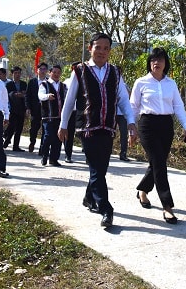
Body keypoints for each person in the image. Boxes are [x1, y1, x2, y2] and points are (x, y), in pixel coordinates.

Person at [58, 32, 137, 228]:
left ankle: (88, 197)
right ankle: (106, 209)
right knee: (96, 167)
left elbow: (123, 100)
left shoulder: (115, 72)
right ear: (90, 48)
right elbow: (69, 101)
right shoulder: (80, 70)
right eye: (98, 47)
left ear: (110, 51)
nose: (102, 52)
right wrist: (63, 124)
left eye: (106, 48)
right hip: (87, 127)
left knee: (100, 168)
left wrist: (131, 122)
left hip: (108, 126)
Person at [130, 48, 186, 224]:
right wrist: (131, 129)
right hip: (147, 125)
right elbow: (133, 107)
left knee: (157, 162)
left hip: (166, 125)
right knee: (159, 163)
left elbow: (179, 107)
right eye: (153, 60)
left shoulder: (171, 84)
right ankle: (167, 206)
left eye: (160, 60)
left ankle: (142, 190)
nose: (156, 63)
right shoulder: (141, 82)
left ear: (166, 63)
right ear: (149, 63)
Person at [38, 64, 67, 167]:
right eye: (54, 72)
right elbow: (40, 96)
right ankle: (44, 156)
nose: (56, 74)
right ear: (50, 73)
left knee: (58, 138)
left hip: (60, 117)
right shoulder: (44, 84)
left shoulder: (63, 86)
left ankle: (54, 159)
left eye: (58, 72)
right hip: (48, 116)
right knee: (48, 136)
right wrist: (47, 96)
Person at [3, 66, 28, 152]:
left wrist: (20, 95)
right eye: (15, 73)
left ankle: (16, 146)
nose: (17, 75)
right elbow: (9, 95)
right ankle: (7, 139)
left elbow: (25, 95)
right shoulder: (9, 84)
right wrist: (18, 94)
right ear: (12, 74)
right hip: (12, 108)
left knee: (19, 128)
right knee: (11, 126)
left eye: (19, 73)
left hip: (21, 109)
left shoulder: (24, 84)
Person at [26, 62, 48, 153]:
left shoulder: (49, 82)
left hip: (46, 109)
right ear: (37, 70)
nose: (42, 71)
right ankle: (32, 141)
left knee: (45, 128)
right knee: (34, 127)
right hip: (35, 108)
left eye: (44, 69)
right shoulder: (32, 82)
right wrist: (28, 108)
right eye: (41, 69)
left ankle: (42, 147)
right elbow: (28, 96)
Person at [115, 65, 131, 161]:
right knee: (109, 134)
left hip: (122, 114)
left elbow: (129, 96)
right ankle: (106, 152)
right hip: (112, 113)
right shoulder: (108, 83)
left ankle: (123, 153)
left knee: (124, 134)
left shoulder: (124, 85)